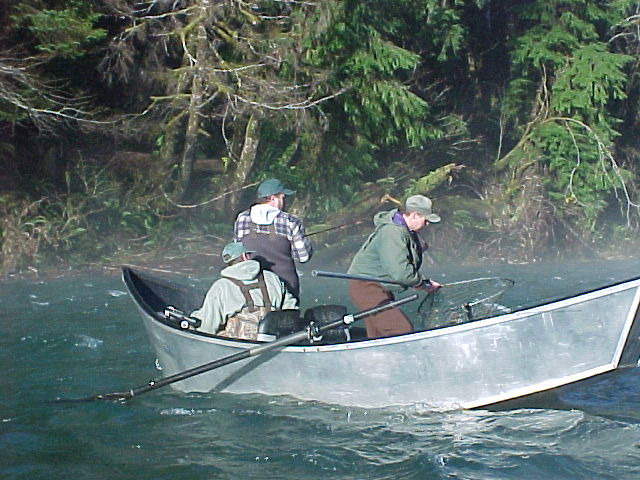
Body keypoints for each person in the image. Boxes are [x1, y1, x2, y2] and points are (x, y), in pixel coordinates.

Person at [347, 195, 442, 339]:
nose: (427, 224)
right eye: (426, 219)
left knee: (378, 336)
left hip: (378, 287)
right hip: (367, 287)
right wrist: (423, 284)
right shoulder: (392, 233)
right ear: (415, 215)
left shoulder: (404, 231)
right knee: (400, 330)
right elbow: (400, 273)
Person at [190, 242, 298, 339]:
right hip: (274, 341)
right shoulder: (272, 278)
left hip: (237, 345)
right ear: (245, 256)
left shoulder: (221, 287)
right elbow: (291, 309)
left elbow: (208, 326)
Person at [233, 178, 312, 300]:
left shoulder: (242, 218)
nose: (284, 201)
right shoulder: (290, 221)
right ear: (273, 199)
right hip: (286, 290)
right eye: (282, 197)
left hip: (250, 289)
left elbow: (237, 252)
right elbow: (303, 257)